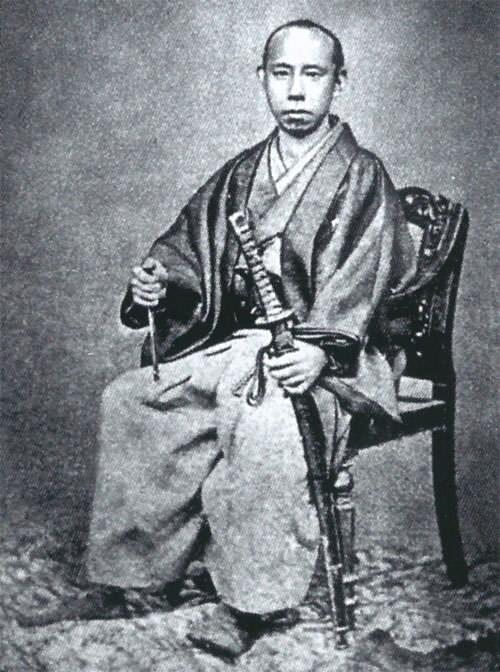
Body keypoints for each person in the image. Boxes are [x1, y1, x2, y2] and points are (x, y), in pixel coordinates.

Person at [20, 19, 416, 658]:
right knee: (133, 400)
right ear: (261, 79)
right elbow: (186, 247)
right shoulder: (242, 173)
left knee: (264, 422)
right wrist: (157, 282)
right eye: (281, 73)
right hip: (242, 345)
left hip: (325, 356)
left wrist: (320, 348)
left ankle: (249, 604)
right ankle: (131, 576)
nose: (296, 90)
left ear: (338, 84)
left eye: (313, 75)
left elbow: (362, 280)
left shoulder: (361, 174)